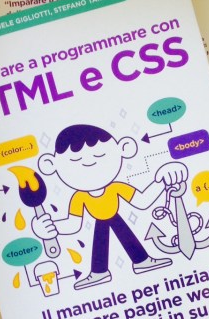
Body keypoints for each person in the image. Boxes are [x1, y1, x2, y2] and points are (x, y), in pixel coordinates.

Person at [32, 124, 187, 290]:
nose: (89, 164)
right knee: (102, 236)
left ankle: (140, 261)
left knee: (121, 231)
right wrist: (49, 228)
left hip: (113, 216)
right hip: (102, 219)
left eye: (100, 155)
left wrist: (162, 180)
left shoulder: (116, 188)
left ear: (124, 149)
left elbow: (143, 201)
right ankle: (101, 271)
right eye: (75, 161)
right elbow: (73, 224)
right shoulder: (79, 197)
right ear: (51, 165)